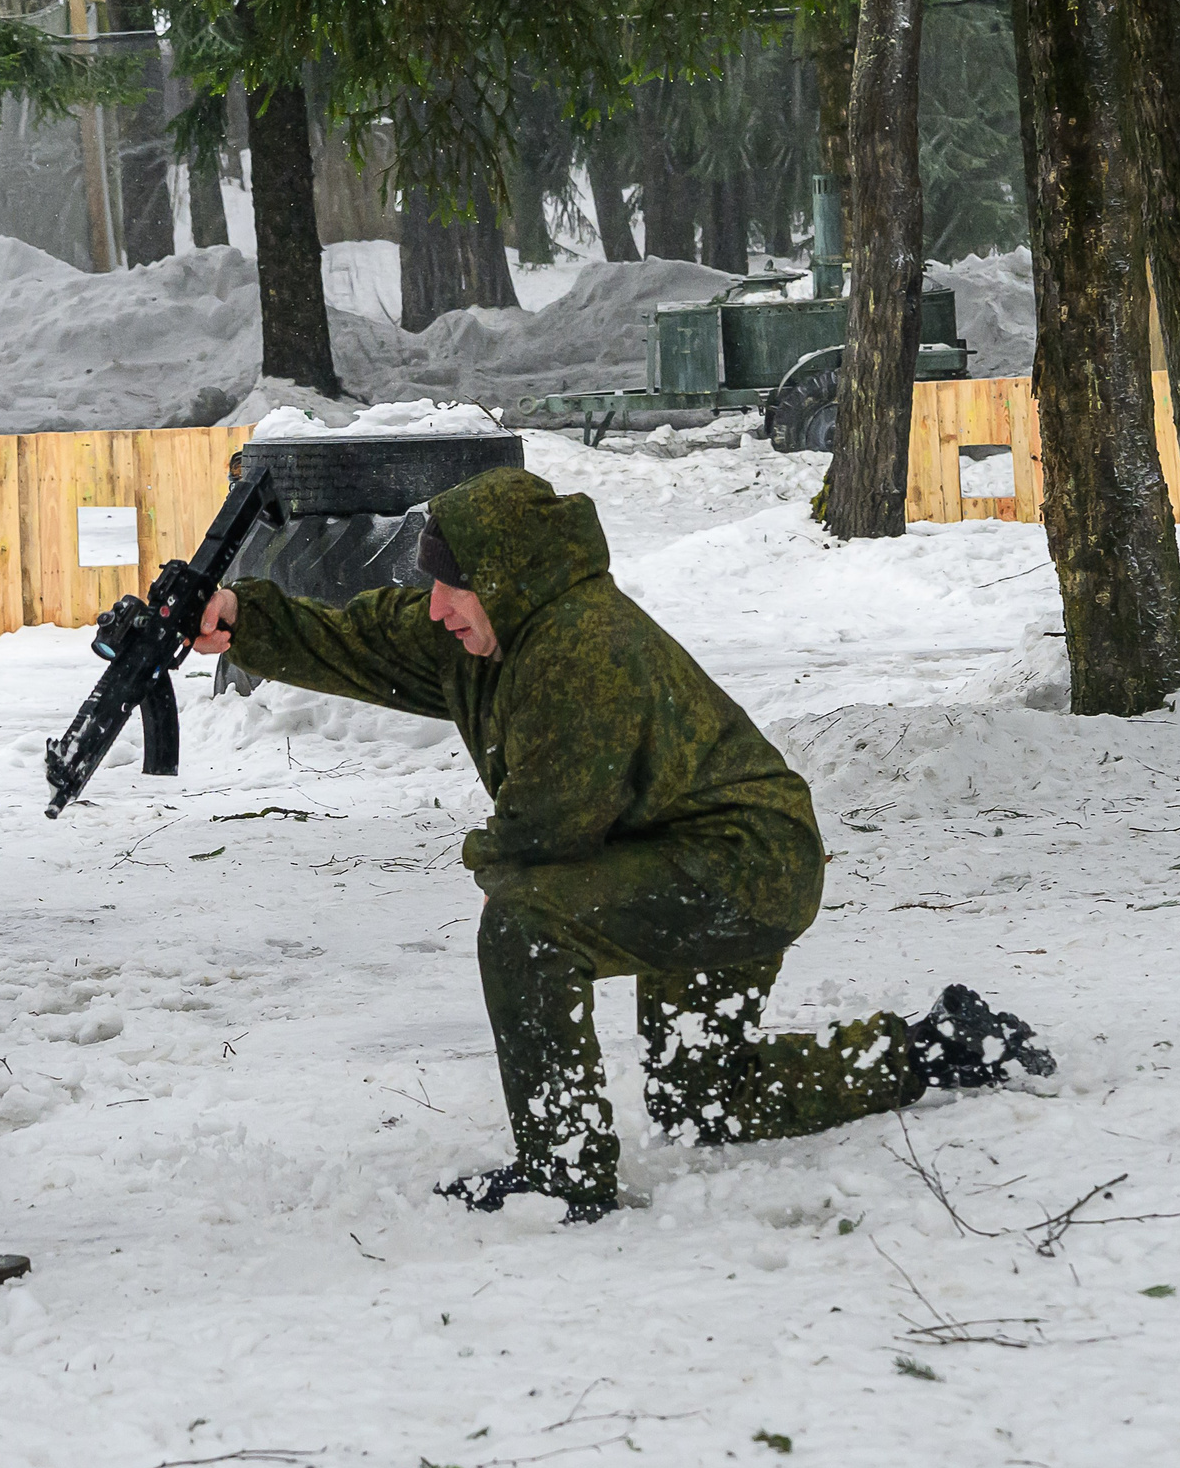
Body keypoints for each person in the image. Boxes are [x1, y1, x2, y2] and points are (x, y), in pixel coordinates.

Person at [195, 466, 1050, 1222]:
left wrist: (495, 870)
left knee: (527, 924)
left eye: (453, 587)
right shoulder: (494, 629)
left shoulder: (583, 652)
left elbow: (547, 828)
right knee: (707, 1100)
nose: (436, 607)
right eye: (433, 586)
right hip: (681, 853)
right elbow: (367, 637)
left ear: (506, 576)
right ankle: (938, 1046)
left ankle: (563, 1174)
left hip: (742, 869)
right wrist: (240, 618)